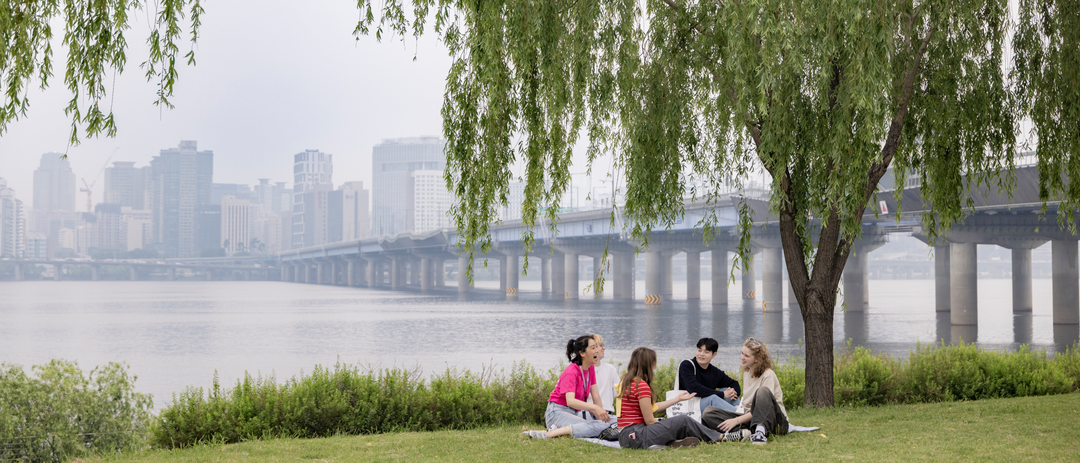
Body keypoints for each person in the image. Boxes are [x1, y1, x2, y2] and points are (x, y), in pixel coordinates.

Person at [616, 347, 749, 449]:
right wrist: (667, 425)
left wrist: (677, 399)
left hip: (625, 437)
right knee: (683, 420)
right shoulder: (641, 385)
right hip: (637, 435)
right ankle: (722, 437)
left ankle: (675, 442)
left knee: (674, 423)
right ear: (648, 364)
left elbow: (651, 408)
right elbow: (650, 420)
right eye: (654, 362)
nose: (655, 366)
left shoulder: (626, 382)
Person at [522, 335, 614, 439]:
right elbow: (570, 401)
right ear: (582, 353)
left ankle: (559, 430)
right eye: (593, 348)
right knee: (595, 426)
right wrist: (595, 408)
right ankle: (547, 434)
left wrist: (601, 415)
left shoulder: (590, 368)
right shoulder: (571, 371)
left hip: (574, 413)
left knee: (614, 421)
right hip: (557, 412)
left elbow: (596, 396)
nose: (597, 350)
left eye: (597, 347)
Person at [702, 337, 789, 445]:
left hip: (774, 422)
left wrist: (736, 421)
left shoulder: (768, 375)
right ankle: (742, 433)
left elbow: (763, 409)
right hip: (751, 421)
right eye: (742, 353)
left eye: (746, 356)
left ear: (757, 358)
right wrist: (735, 416)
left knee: (762, 392)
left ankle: (760, 434)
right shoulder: (747, 374)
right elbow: (747, 408)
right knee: (708, 413)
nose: (742, 357)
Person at [677, 337, 741, 413]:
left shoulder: (714, 371)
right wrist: (722, 394)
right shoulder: (687, 365)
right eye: (699, 350)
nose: (701, 354)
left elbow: (734, 383)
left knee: (726, 390)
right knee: (713, 398)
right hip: (689, 406)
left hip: (704, 405)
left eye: (706, 352)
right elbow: (694, 388)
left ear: (714, 354)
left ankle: (739, 411)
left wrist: (733, 392)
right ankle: (741, 416)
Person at [586, 334, 618, 420]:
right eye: (601, 345)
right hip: (588, 413)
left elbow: (618, 394)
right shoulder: (583, 370)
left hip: (607, 414)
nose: (604, 348)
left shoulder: (610, 369)